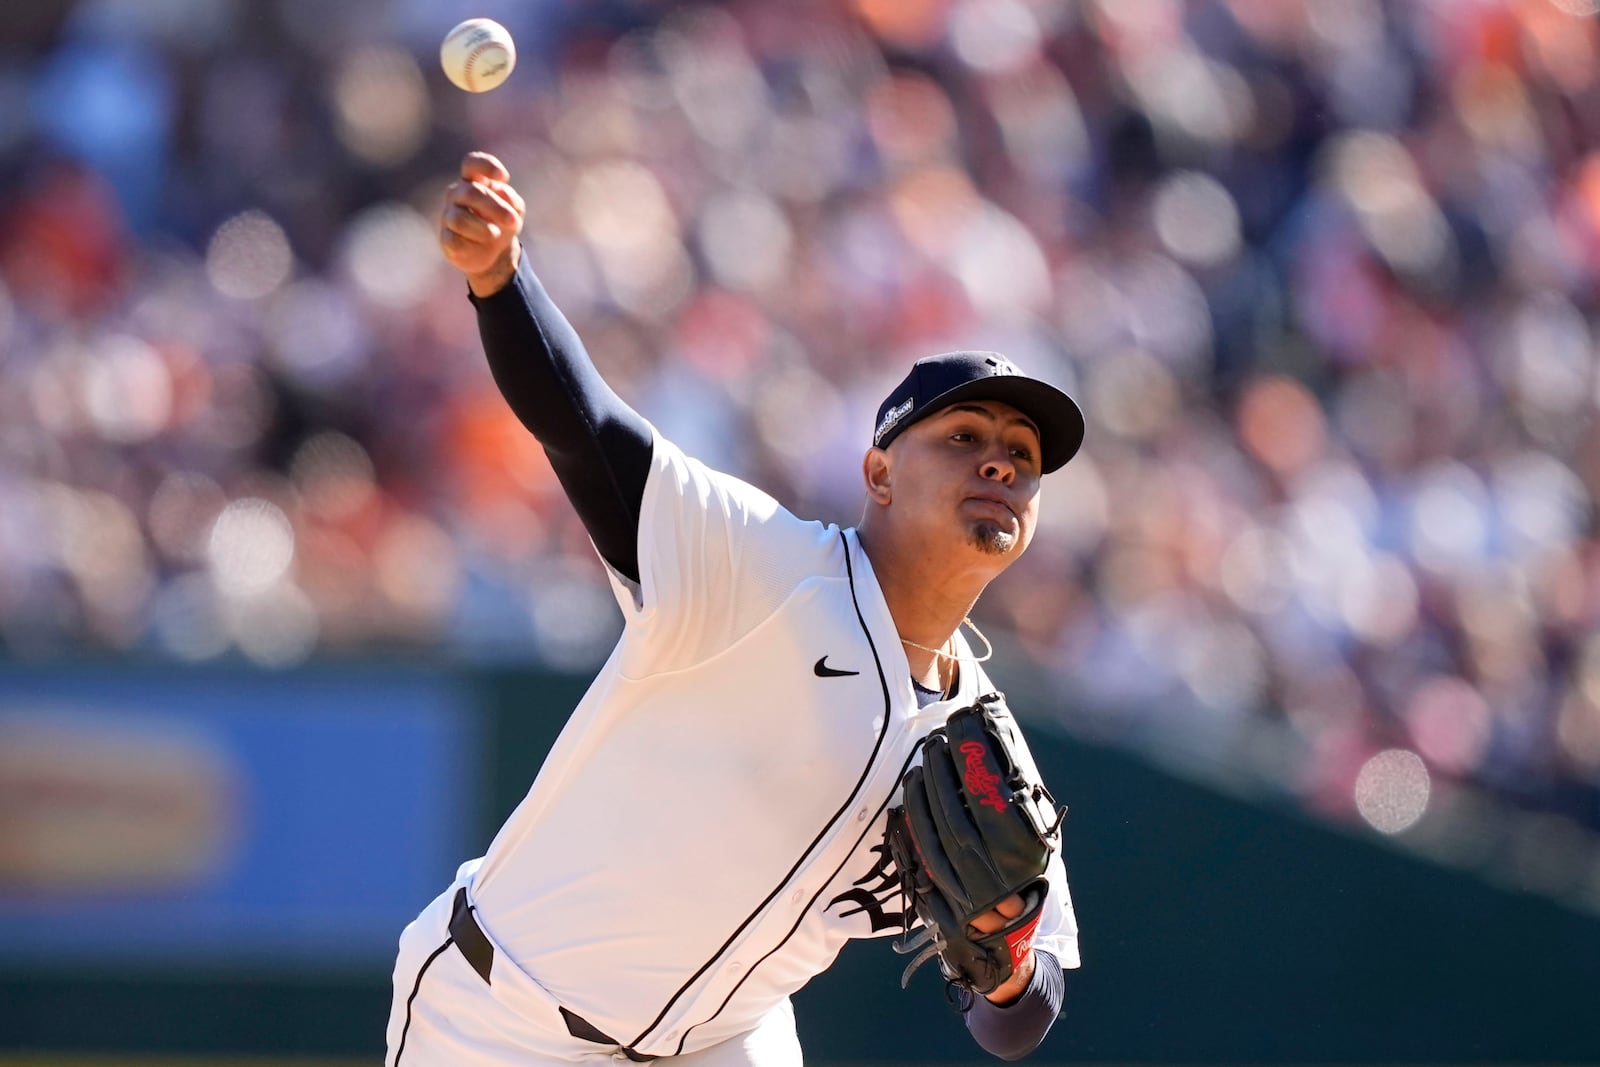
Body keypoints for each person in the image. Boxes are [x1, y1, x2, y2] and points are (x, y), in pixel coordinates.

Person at [386, 152, 1085, 1067]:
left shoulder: (984, 743)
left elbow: (1023, 1017)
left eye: (1022, 454)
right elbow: (587, 428)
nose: (1000, 463)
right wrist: (500, 280)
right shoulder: (760, 564)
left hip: (722, 1044)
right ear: (878, 471)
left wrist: (1006, 964)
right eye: (964, 438)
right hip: (506, 1014)